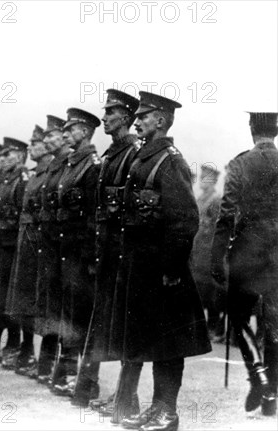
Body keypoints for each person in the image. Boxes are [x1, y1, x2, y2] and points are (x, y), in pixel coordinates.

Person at [116, 92, 210, 431]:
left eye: (144, 116)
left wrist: (171, 270)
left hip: (164, 273)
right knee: (153, 341)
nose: (136, 120)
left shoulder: (170, 161)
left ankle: (167, 410)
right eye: (137, 115)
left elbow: (185, 221)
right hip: (142, 270)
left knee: (169, 345)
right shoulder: (143, 157)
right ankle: (157, 408)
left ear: (161, 120)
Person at [80, 89, 142, 422]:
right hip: (109, 251)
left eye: (111, 113)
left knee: (125, 325)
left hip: (123, 253)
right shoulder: (113, 153)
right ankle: (118, 395)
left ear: (127, 118)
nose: (104, 117)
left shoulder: (131, 152)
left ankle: (125, 398)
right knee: (112, 324)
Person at [211, 112, 278, 417]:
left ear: (252, 128)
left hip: (248, 251)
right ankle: (272, 392)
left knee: (238, 318)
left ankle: (258, 374)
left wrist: (216, 256)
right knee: (275, 323)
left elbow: (225, 215)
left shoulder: (239, 164)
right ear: (276, 130)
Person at [52, 107, 102, 401]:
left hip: (82, 257)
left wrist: (91, 258)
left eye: (71, 129)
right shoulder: (74, 164)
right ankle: (68, 374)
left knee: (81, 317)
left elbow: (95, 217)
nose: (66, 133)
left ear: (84, 132)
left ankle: (81, 379)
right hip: (67, 252)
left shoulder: (92, 166)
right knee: (68, 313)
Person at [6, 124, 52, 377]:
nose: (31, 147)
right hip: (27, 242)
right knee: (23, 300)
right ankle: (26, 351)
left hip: (39, 244)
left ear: (46, 146)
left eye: (36, 143)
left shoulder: (47, 174)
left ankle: (39, 357)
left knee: (38, 303)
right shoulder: (34, 175)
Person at [0, 137, 29, 368]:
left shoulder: (21, 180)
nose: (4, 159)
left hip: (13, 248)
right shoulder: (2, 181)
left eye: (9, 154)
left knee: (11, 300)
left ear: (21, 155)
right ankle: (0, 346)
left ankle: (14, 344)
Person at [35, 114, 67, 386]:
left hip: (68, 246)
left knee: (68, 312)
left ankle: (65, 370)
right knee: (52, 307)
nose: (47, 141)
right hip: (52, 246)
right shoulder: (57, 166)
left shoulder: (74, 165)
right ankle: (47, 364)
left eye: (52, 135)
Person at [191, 164, 224, 342]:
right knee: (200, 290)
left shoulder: (215, 200)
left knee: (211, 292)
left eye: (206, 177)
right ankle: (205, 327)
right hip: (199, 251)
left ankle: (214, 328)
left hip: (208, 251)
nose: (202, 180)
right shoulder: (202, 198)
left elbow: (216, 228)